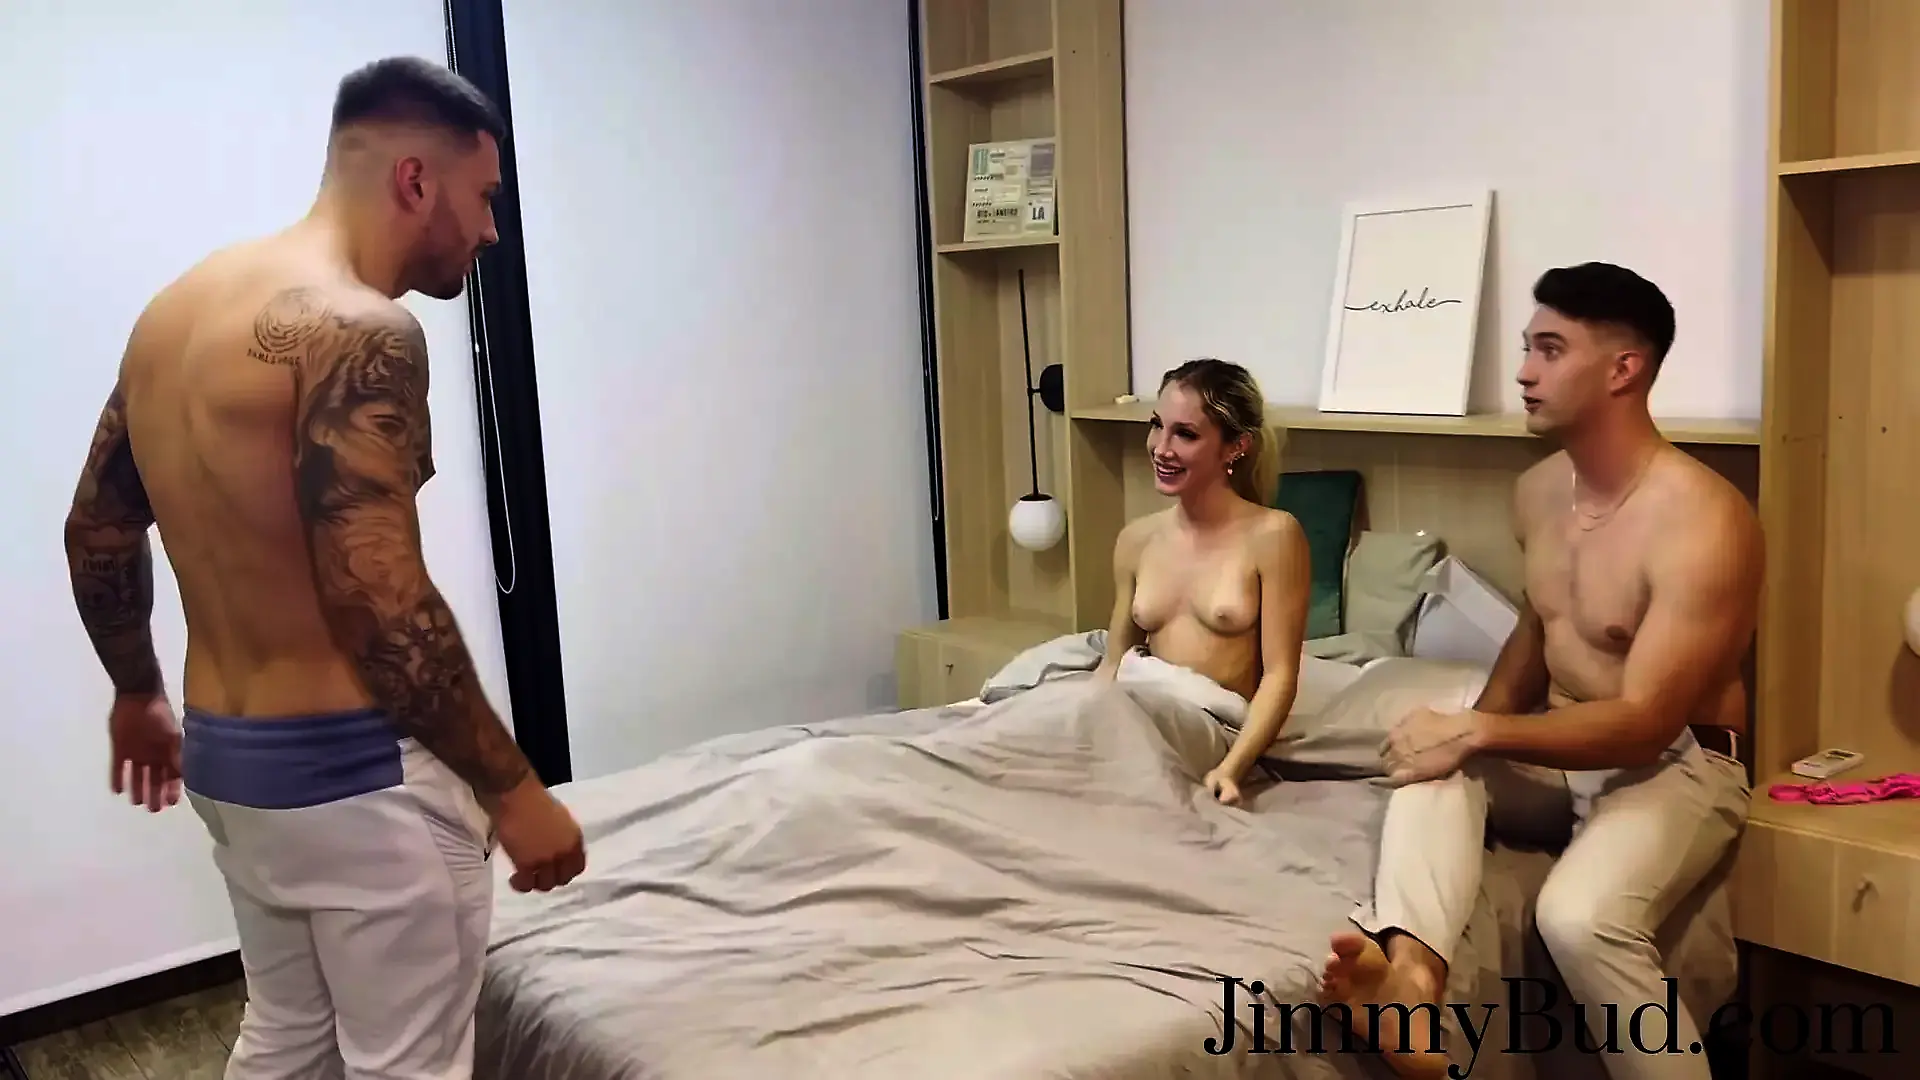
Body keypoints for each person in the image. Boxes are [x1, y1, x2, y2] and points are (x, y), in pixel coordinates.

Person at [60, 56, 586, 1079]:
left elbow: (97, 528)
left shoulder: (175, 313)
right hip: (359, 780)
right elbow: (379, 602)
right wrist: (514, 790)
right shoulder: (362, 329)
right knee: (407, 1064)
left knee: (287, 1037)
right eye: (484, 196)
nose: (490, 230)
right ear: (414, 179)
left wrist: (136, 692)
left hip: (229, 759)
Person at [1316, 263, 1760, 1080]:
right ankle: (1412, 981)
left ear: (1623, 369)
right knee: (1428, 763)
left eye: (1550, 350)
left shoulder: (1704, 518)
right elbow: (1541, 625)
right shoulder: (1536, 492)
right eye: (1527, 347)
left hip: (1677, 763)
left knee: (1579, 918)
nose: (1523, 371)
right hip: (1560, 749)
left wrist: (1480, 729)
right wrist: (1467, 731)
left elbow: (1647, 721)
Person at [1092, 358, 1314, 806]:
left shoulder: (1274, 535)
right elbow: (1113, 663)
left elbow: (1280, 676)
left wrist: (1231, 769)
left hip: (1209, 723)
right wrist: (1082, 715)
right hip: (1136, 703)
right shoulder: (1136, 539)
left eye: (1185, 434)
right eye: (1157, 426)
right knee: (1030, 725)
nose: (1161, 448)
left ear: (1235, 447)